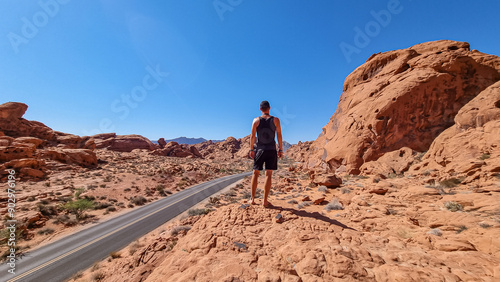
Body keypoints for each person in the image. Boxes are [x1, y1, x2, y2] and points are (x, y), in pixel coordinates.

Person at [249, 100, 283, 207]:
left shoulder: (256, 120)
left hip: (259, 150)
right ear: (269, 108)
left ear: (260, 109)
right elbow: (279, 135)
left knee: (255, 173)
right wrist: (280, 149)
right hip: (271, 149)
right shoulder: (276, 120)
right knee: (268, 174)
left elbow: (252, 136)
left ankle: (253, 199)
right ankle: (265, 201)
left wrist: (251, 149)